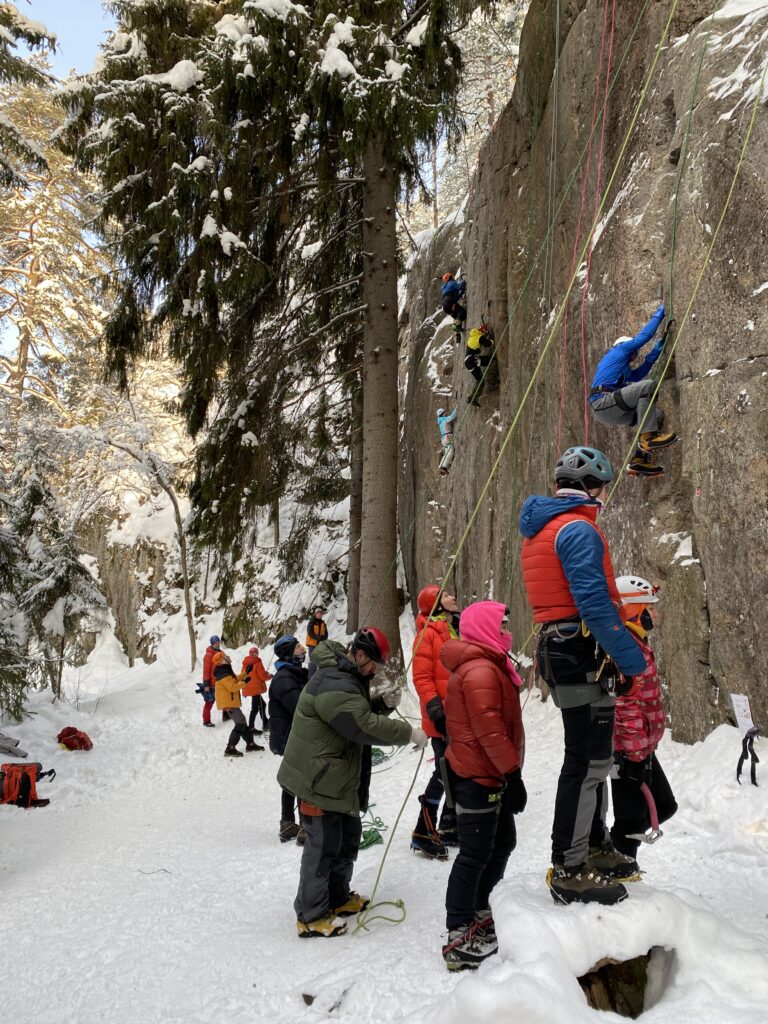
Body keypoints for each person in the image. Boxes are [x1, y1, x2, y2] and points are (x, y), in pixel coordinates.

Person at [519, 445, 647, 906]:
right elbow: (593, 602)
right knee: (587, 761)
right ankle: (571, 865)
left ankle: (591, 847)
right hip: (581, 649)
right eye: (603, 488)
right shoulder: (577, 529)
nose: (605, 496)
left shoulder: (542, 530)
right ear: (591, 487)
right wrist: (632, 661)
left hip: (564, 648)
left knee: (591, 758)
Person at [278, 627, 428, 938]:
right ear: (358, 655)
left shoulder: (347, 678)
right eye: (374, 662)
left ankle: (337, 898)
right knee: (322, 847)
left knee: (346, 838)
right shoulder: (333, 679)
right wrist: (407, 732)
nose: (376, 670)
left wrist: (382, 702)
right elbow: (358, 723)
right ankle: (311, 915)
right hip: (317, 780)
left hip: (335, 779)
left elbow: (354, 710)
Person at [439, 601, 527, 971]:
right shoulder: (480, 671)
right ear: (485, 628)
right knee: (475, 852)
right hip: (478, 774)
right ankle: (458, 931)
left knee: (503, 841)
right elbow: (488, 729)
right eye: (502, 624)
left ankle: (480, 906)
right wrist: (513, 773)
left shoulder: (489, 664)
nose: (507, 629)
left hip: (490, 772)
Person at [610, 575, 677, 867]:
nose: (656, 614)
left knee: (664, 805)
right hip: (628, 750)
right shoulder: (625, 646)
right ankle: (620, 865)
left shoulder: (636, 641)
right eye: (650, 607)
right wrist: (635, 756)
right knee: (631, 817)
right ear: (632, 609)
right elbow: (625, 705)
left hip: (640, 747)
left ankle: (617, 856)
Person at [589, 303, 677, 477]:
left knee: (656, 416)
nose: (634, 355)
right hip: (602, 401)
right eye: (634, 352)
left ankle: (640, 460)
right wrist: (659, 315)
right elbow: (643, 337)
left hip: (608, 409)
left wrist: (657, 350)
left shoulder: (622, 369)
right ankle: (648, 438)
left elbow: (638, 375)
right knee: (648, 386)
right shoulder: (618, 351)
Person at [410, 584, 460, 860]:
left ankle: (449, 825)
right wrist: (435, 710)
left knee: (455, 769)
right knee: (445, 771)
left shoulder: (450, 628)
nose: (453, 596)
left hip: (456, 713)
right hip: (440, 717)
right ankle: (423, 830)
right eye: (446, 596)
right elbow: (422, 677)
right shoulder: (427, 634)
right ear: (437, 606)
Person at [268, 635, 309, 844]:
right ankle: (303, 827)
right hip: (290, 737)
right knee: (300, 779)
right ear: (288, 653)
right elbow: (300, 706)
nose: (303, 649)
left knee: (292, 780)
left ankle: (288, 823)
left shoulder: (292, 674)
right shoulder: (284, 678)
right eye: (298, 647)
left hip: (291, 736)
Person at [212, 650, 264, 757]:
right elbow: (232, 687)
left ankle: (250, 744)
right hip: (229, 704)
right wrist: (245, 682)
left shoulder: (224, 671)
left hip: (230, 703)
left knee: (242, 723)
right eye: (225, 656)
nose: (228, 656)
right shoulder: (223, 674)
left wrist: (245, 673)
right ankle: (230, 748)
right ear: (222, 661)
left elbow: (234, 679)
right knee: (240, 723)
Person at [241, 646, 272, 735]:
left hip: (248, 687)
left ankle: (265, 723)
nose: (255, 655)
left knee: (262, 704)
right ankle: (251, 728)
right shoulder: (258, 662)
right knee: (255, 708)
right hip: (255, 688)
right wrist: (269, 676)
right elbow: (263, 676)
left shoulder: (245, 663)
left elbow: (243, 674)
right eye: (255, 653)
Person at [464, 322, 494, 407]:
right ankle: (492, 378)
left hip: (468, 362)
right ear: (483, 332)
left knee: (480, 380)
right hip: (472, 360)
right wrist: (491, 340)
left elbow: (480, 341)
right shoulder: (479, 338)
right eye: (485, 332)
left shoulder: (473, 336)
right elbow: (489, 344)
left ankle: (472, 398)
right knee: (491, 360)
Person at [199, 635, 221, 727]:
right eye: (216, 643)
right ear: (212, 644)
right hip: (211, 683)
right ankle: (206, 720)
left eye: (218, 642)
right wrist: (206, 684)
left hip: (220, 681)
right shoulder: (208, 655)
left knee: (224, 698)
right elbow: (206, 671)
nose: (217, 644)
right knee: (209, 701)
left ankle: (226, 715)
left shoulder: (220, 653)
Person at [305, 606, 328, 679]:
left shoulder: (323, 623)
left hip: (319, 645)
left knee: (318, 660)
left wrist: (323, 638)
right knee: (313, 661)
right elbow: (309, 632)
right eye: (318, 613)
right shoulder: (312, 621)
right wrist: (317, 637)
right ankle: (310, 677)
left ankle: (315, 676)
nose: (320, 615)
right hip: (312, 645)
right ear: (315, 614)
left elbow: (326, 634)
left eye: (321, 613)